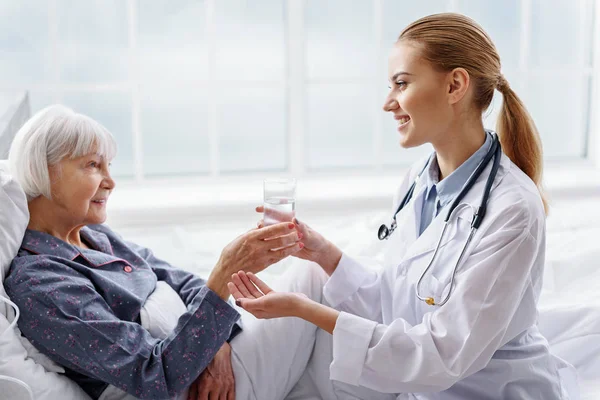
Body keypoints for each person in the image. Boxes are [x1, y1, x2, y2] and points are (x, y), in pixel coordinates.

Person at [229, 13, 577, 400]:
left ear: (455, 85)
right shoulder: (417, 181)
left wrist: (304, 309)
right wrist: (325, 255)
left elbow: (441, 355)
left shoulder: (513, 209)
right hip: (418, 387)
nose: (387, 103)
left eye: (401, 83)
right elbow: (400, 303)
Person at [4, 104, 327, 400]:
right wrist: (224, 272)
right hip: (195, 390)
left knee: (318, 294)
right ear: (45, 172)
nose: (110, 181)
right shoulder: (40, 281)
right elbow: (151, 375)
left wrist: (219, 345)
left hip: (211, 362)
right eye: (92, 165)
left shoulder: (95, 236)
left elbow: (182, 281)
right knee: (315, 277)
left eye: (108, 166)